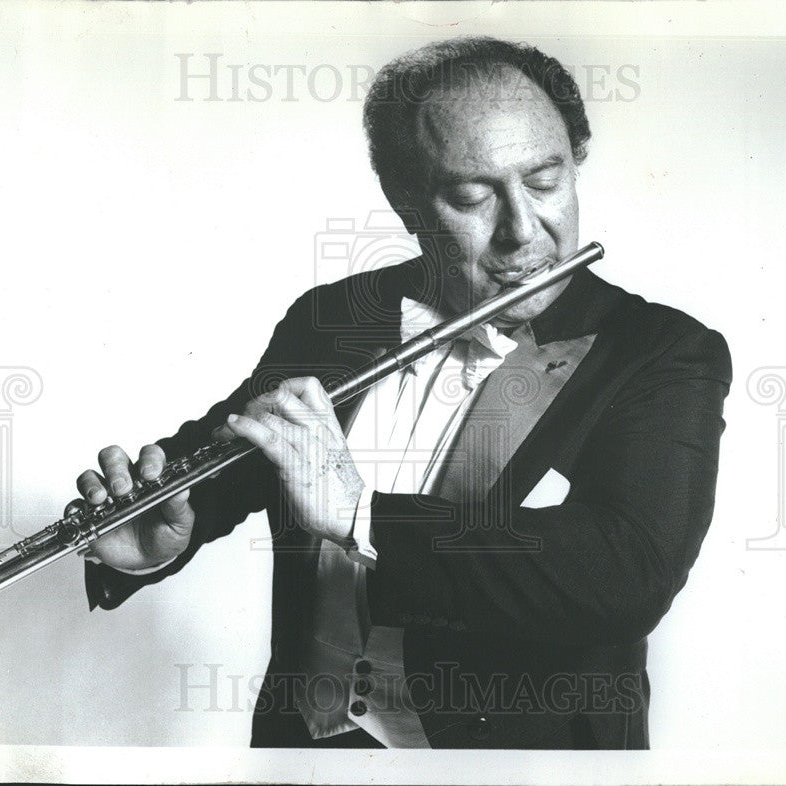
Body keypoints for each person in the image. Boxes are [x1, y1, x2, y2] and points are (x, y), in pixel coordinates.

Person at [77, 37, 732, 749]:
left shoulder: (659, 352)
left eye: (545, 182)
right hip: (309, 755)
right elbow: (233, 454)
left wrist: (360, 513)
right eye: (473, 196)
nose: (522, 231)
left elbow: (623, 577)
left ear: (575, 163)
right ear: (407, 201)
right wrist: (164, 533)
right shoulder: (335, 318)